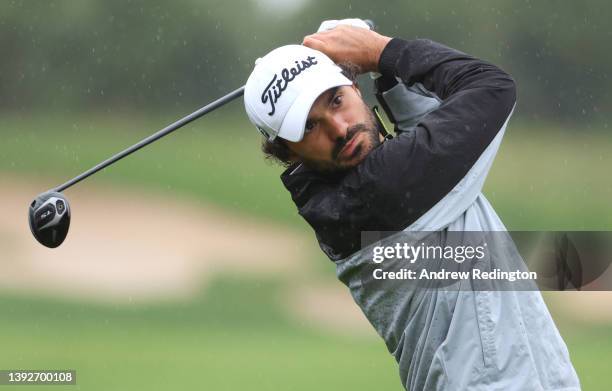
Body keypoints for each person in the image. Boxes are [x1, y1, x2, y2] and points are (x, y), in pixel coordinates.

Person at [243, 21, 581, 390]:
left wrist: (384, 69)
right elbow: (490, 88)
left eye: (336, 100)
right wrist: (382, 51)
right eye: (310, 126)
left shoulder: (346, 202)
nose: (339, 129)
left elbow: (424, 121)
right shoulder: (380, 192)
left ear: (354, 86)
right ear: (289, 154)